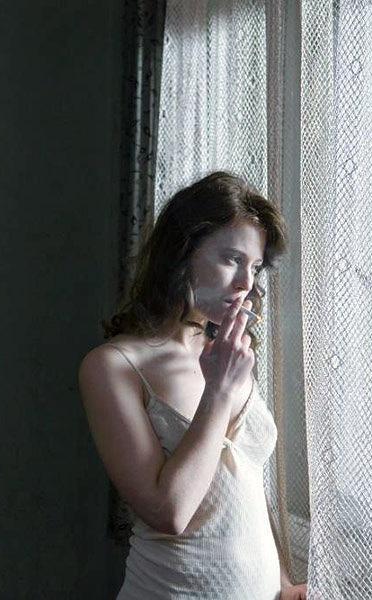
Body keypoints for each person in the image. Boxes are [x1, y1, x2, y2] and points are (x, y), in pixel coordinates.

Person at [79, 171, 308, 599]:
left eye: (255, 266)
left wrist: (282, 586)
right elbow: (169, 512)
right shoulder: (113, 367)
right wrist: (218, 392)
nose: (246, 283)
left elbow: (245, 490)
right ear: (181, 254)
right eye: (232, 259)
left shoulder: (228, 352)